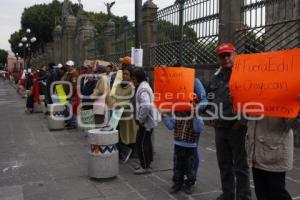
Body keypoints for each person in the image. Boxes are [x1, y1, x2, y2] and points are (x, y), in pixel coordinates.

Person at [206, 43, 251, 200]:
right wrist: (211, 115)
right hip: (219, 127)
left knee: (240, 166)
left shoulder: (244, 75)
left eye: (228, 55)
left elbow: (251, 101)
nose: (225, 58)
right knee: (224, 164)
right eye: (222, 56)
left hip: (236, 128)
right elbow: (210, 97)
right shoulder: (215, 77)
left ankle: (243, 196)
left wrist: (241, 122)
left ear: (235, 55)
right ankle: (228, 194)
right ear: (218, 58)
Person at [162, 95, 205, 194]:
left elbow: (198, 128)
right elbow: (170, 126)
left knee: (190, 166)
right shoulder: (177, 114)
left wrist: (195, 115)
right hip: (178, 145)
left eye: (193, 104)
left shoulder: (197, 117)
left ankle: (190, 183)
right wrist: (164, 116)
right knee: (178, 165)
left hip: (190, 147)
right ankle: (178, 182)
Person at [246, 116, 297, 200]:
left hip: (276, 151)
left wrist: (295, 113)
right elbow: (243, 121)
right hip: (256, 151)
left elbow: (291, 125)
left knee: (276, 193)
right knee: (261, 193)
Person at [132, 68, 158, 175]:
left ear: (136, 78)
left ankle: (145, 166)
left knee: (141, 142)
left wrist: (141, 119)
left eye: (133, 78)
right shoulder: (144, 86)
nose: (132, 81)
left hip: (146, 121)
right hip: (148, 120)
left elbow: (146, 105)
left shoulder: (142, 89)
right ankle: (147, 162)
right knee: (146, 141)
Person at [114, 65, 137, 163]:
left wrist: (121, 106)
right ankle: (122, 152)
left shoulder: (132, 86)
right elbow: (114, 97)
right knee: (117, 133)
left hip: (127, 116)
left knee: (126, 135)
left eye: (127, 74)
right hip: (117, 115)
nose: (124, 75)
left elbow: (131, 101)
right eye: (123, 73)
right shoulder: (118, 85)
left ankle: (126, 151)